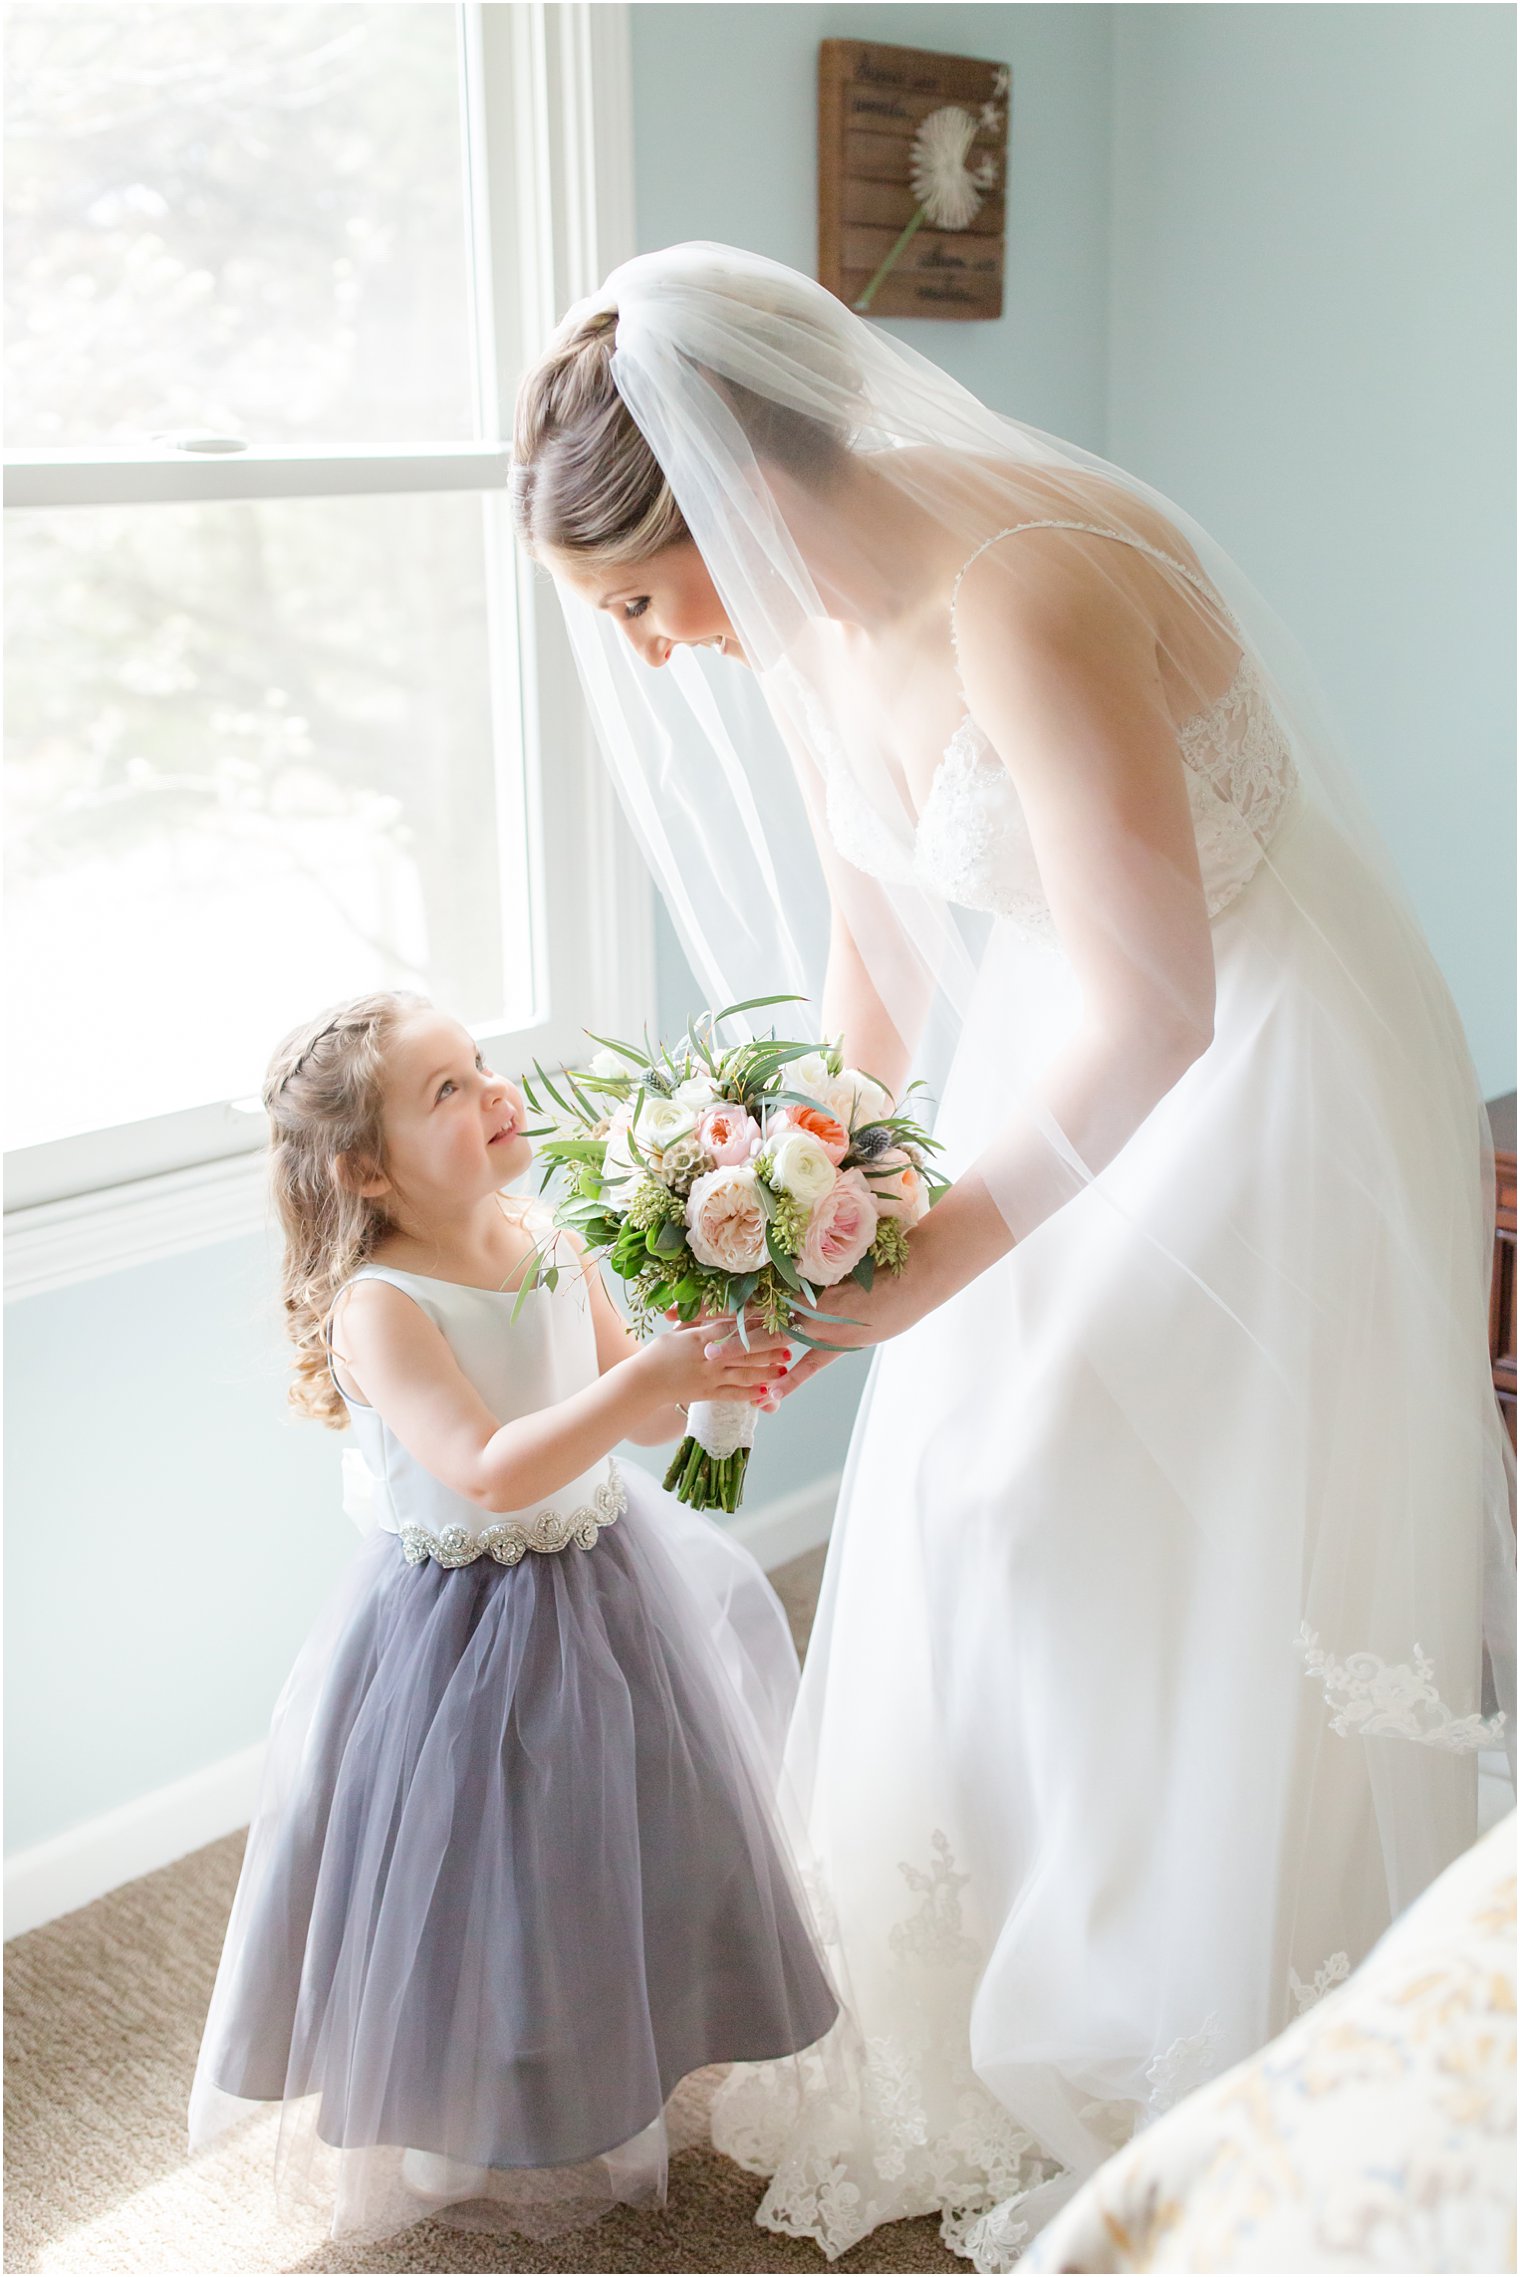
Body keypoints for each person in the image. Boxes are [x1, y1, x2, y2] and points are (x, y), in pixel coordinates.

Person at [510, 243, 1516, 2268]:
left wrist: (939, 1250)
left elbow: (1159, 1009)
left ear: (735, 503)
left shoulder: (1031, 583)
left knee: (1124, 1494)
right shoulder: (800, 634)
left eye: (636, 600)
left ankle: (1198, 2003)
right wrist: (784, 1178)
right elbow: (877, 959)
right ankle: (990, 1980)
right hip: (1058, 1059)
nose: (641, 650)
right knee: (979, 1496)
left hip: (1262, 1062)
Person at [187, 989, 837, 2244]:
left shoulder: (543, 1231)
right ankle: (452, 2114)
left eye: (481, 1065)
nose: (493, 1090)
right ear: (366, 1169)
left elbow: (634, 1416)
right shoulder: (380, 1305)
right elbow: (486, 1468)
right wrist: (643, 1377)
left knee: (612, 1841)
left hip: (602, 1582)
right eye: (445, 1089)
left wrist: (707, 1380)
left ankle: (618, 2064)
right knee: (474, 1877)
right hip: (457, 1633)